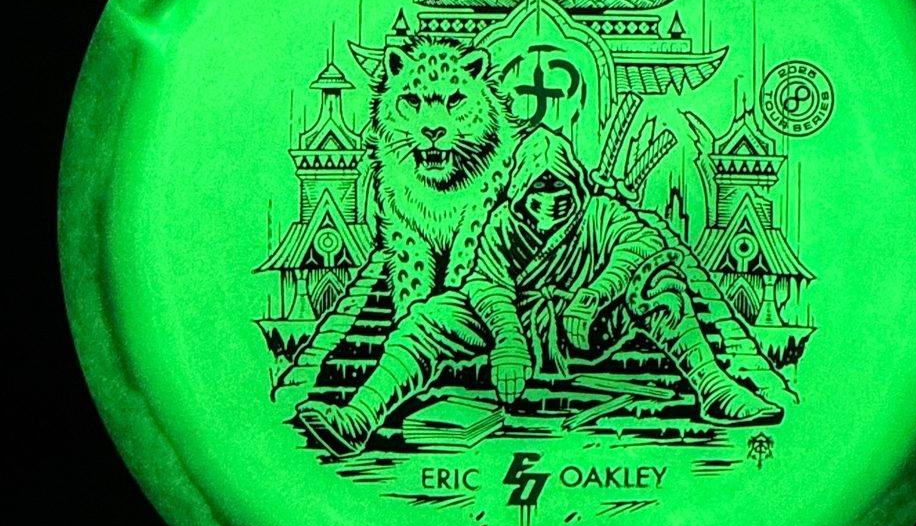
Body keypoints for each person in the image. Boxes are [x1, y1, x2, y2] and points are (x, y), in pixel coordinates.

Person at [296, 126, 786, 454]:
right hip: (523, 327)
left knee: (659, 281)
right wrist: (508, 339)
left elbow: (644, 242)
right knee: (431, 315)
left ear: (577, 189)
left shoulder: (601, 214)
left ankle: (714, 387)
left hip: (590, 325)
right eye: (537, 194)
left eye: (560, 194)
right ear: (520, 192)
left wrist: (596, 293)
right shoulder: (502, 225)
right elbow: (487, 281)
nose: (549, 207)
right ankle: (360, 416)